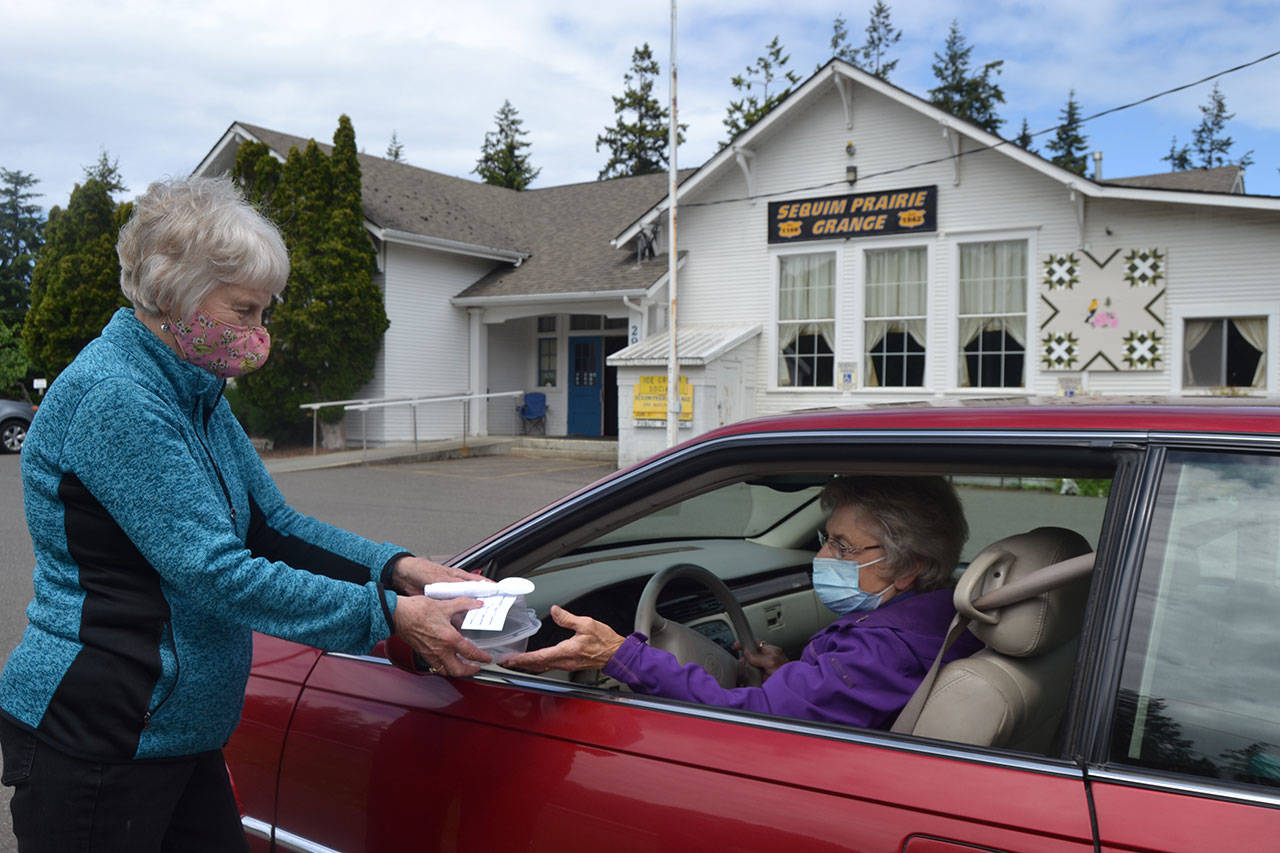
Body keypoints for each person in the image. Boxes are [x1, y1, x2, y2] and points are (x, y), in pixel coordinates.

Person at [0, 176, 491, 852]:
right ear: (176, 295)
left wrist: (398, 568)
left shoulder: (196, 390)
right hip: (101, 740)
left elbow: (273, 527)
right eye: (246, 310)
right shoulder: (117, 398)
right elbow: (216, 571)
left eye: (266, 311)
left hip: (174, 733)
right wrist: (387, 614)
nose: (261, 333)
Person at [505, 475, 983, 729]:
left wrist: (621, 655)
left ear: (909, 567)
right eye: (825, 538)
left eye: (842, 545)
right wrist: (794, 675)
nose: (820, 556)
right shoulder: (940, 621)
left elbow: (746, 716)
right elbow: (836, 700)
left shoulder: (880, 652)